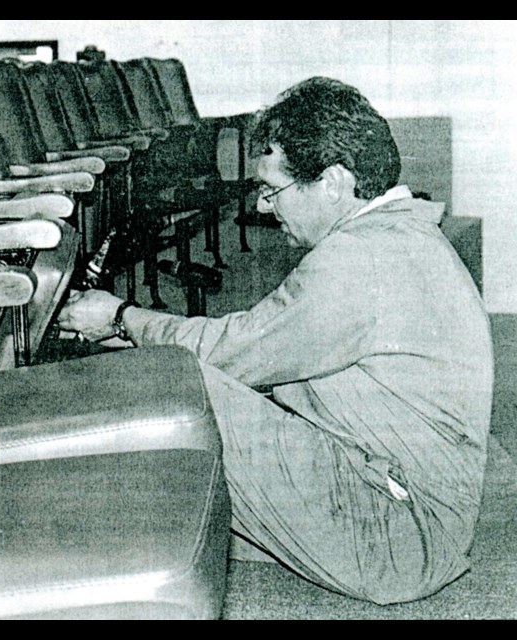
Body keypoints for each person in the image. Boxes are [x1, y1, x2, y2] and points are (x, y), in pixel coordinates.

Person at [57, 76, 493, 605]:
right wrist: (137, 335)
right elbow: (270, 340)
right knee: (178, 385)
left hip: (398, 535)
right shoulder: (399, 236)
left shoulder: (359, 260)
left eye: (272, 188)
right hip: (399, 499)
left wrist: (122, 317)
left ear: (332, 181)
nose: (263, 207)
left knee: (178, 392)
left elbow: (233, 350)